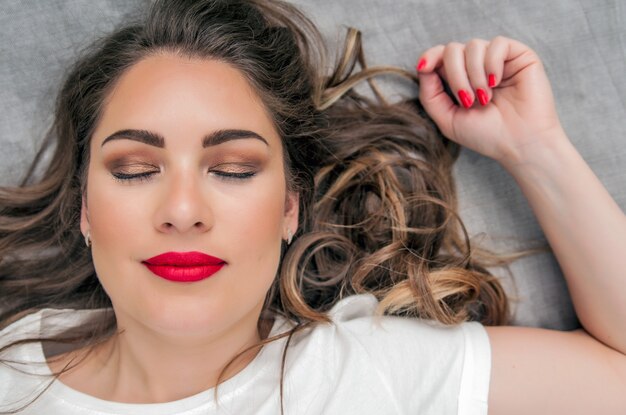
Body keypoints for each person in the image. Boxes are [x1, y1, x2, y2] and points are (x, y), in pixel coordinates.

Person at [0, 0, 624, 413]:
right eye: (135, 171)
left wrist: (536, 149)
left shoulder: (370, 374)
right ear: (84, 209)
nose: (183, 210)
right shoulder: (12, 373)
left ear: (288, 210)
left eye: (233, 169)